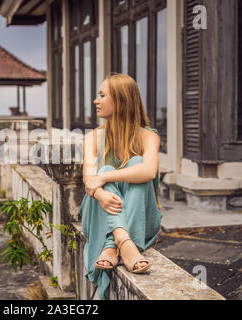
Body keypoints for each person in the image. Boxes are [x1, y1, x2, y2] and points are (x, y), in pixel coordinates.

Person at [78, 73, 163, 300]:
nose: (96, 101)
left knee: (132, 165)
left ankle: (112, 244)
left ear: (122, 100)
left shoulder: (148, 136)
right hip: (97, 210)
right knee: (103, 172)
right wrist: (99, 193)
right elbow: (89, 179)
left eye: (102, 95)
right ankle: (126, 244)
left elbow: (149, 171)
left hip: (142, 217)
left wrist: (104, 179)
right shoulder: (93, 137)